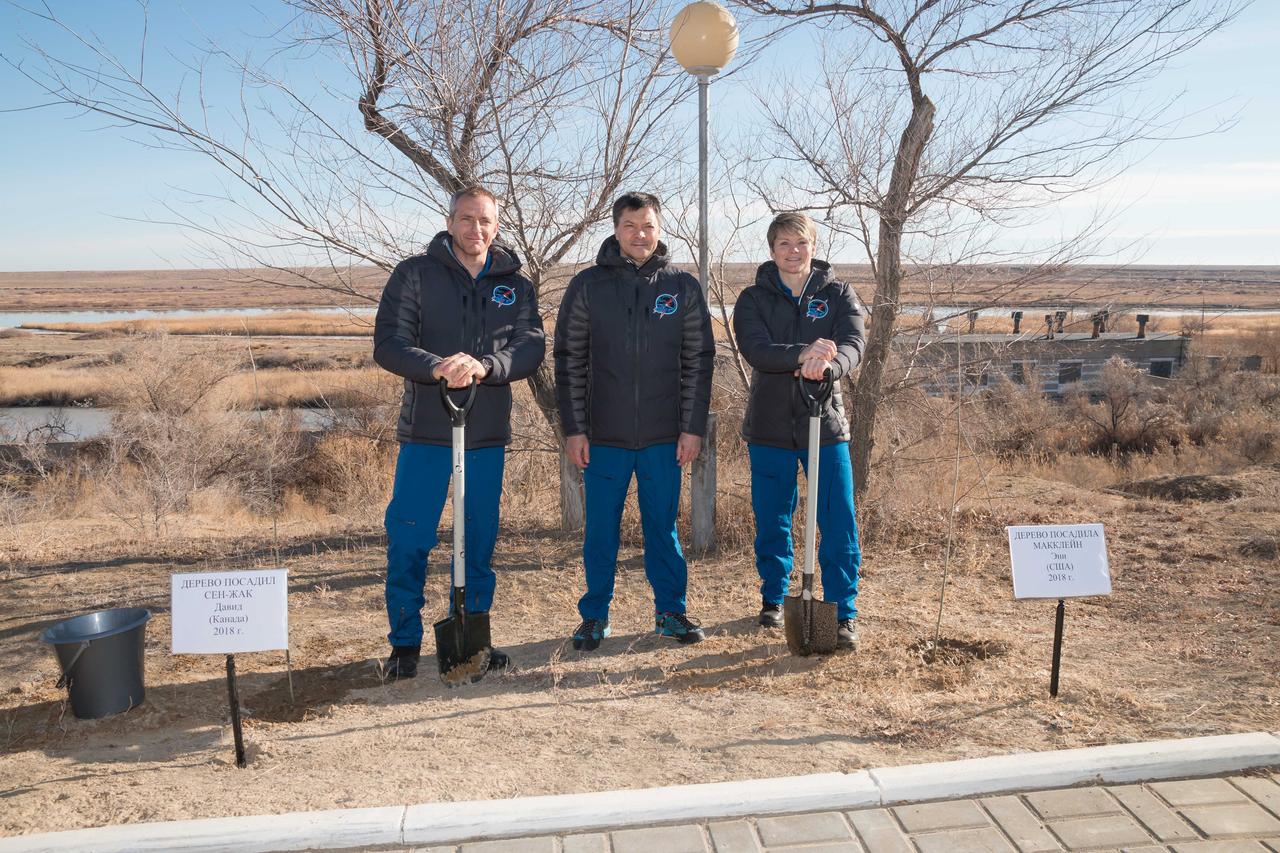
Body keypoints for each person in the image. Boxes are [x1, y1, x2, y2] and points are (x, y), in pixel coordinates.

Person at [373, 186, 546, 679]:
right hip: (427, 432)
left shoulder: (515, 285)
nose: (477, 229)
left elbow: (530, 345)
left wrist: (486, 366)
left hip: (485, 433)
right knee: (410, 536)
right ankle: (404, 643)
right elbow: (388, 343)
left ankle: (470, 636)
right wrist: (440, 367)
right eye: (467, 219)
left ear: (497, 225)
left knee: (477, 540)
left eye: (486, 220)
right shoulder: (415, 275)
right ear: (450, 222)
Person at [554, 192, 715, 651]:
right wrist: (575, 428)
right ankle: (594, 616)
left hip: (665, 438)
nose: (639, 235)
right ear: (616, 229)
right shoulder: (588, 286)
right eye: (630, 226)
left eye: (647, 226)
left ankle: (670, 612)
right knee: (600, 528)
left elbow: (699, 361)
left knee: (661, 526)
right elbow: (569, 359)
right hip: (603, 438)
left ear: (660, 229)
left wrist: (692, 427)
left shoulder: (681, 287)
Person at [731, 212, 865, 648]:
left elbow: (854, 343)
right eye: (784, 244)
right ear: (772, 250)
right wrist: (803, 352)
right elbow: (757, 349)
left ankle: (843, 612)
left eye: (801, 243)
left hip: (825, 424)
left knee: (838, 519)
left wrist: (828, 364)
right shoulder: (753, 298)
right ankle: (773, 597)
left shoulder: (839, 293)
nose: (793, 251)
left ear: (814, 246)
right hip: (770, 426)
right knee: (773, 517)